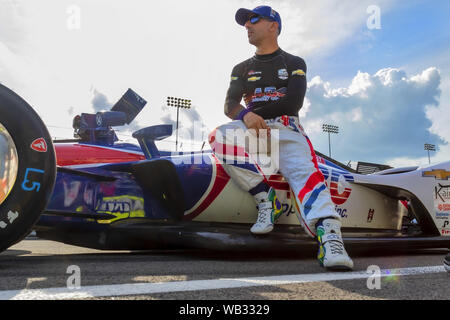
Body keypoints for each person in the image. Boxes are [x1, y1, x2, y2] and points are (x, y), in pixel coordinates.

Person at [208, 5, 354, 270]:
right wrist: (246, 117)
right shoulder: (240, 68)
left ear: (273, 25)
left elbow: (293, 102)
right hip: (250, 131)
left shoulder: (294, 62)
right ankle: (266, 199)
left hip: (286, 129)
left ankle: (331, 240)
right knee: (220, 135)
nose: (247, 26)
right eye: (245, 23)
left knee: (306, 175)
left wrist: (252, 113)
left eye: (254, 19)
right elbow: (229, 105)